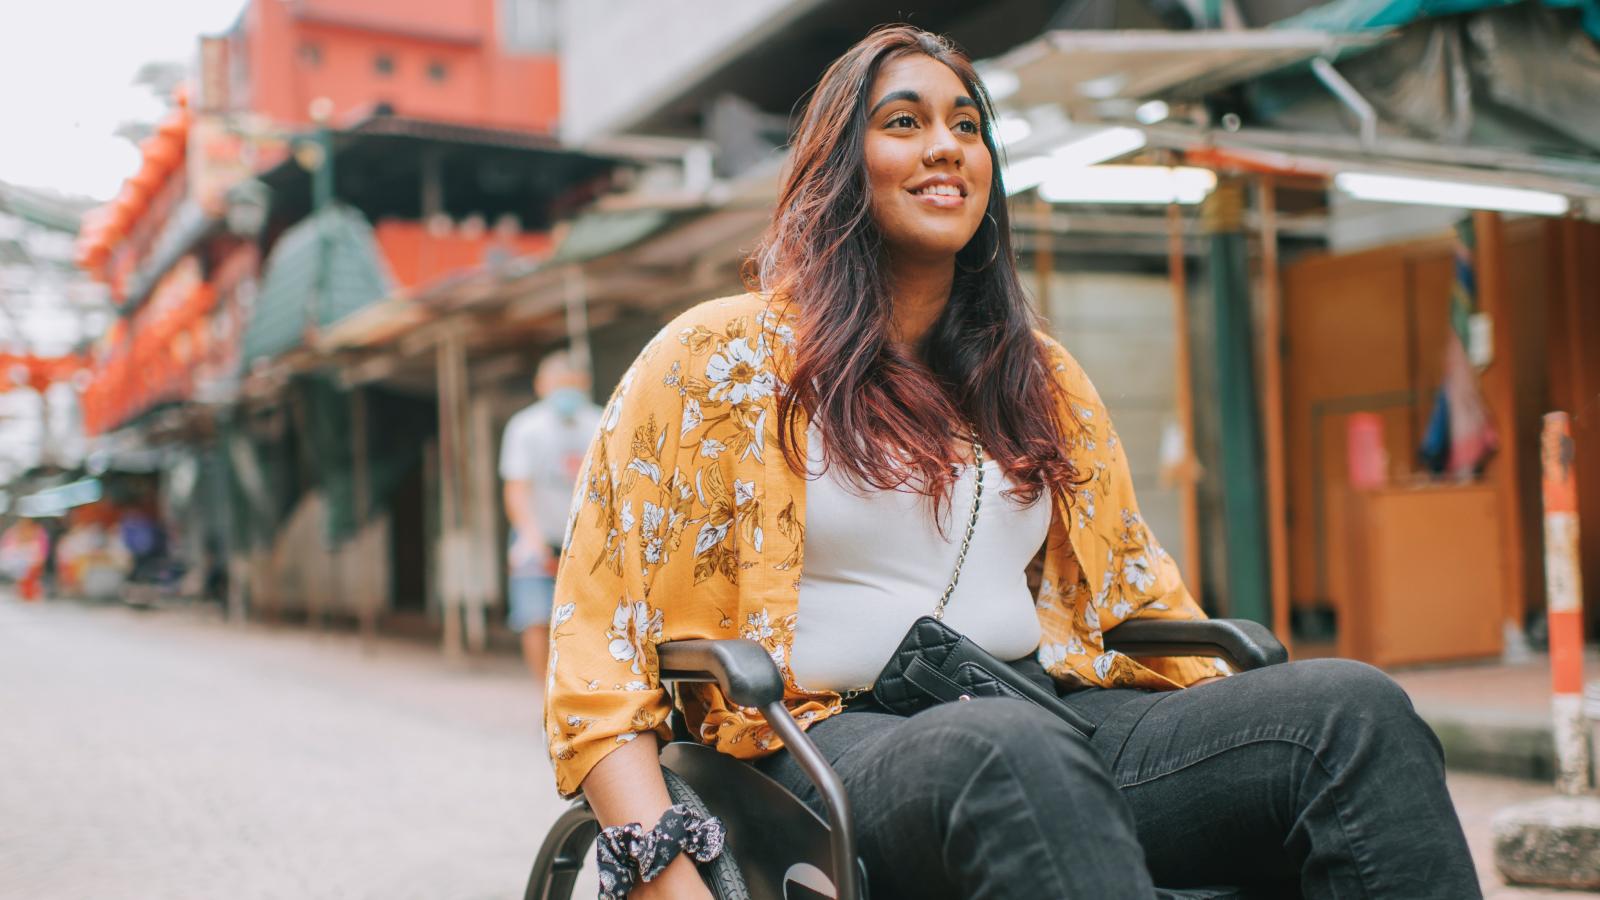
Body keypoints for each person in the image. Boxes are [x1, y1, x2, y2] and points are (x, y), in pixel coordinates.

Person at [546, 25, 1479, 900]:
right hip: (818, 739)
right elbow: (599, 651)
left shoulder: (1038, 374)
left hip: (1035, 704)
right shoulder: (720, 359)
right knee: (1006, 749)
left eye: (967, 126)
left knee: (1349, 715)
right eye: (904, 122)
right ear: (839, 163)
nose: (945, 145)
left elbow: (1133, 596)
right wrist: (661, 867)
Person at [500, 350, 601, 684]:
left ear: (584, 384)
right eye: (558, 384)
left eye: (571, 384)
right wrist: (530, 536)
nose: (566, 391)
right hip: (537, 534)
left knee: (592, 619)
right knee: (534, 617)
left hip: (586, 541)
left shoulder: (600, 422)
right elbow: (516, 487)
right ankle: (546, 695)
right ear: (541, 385)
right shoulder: (526, 427)